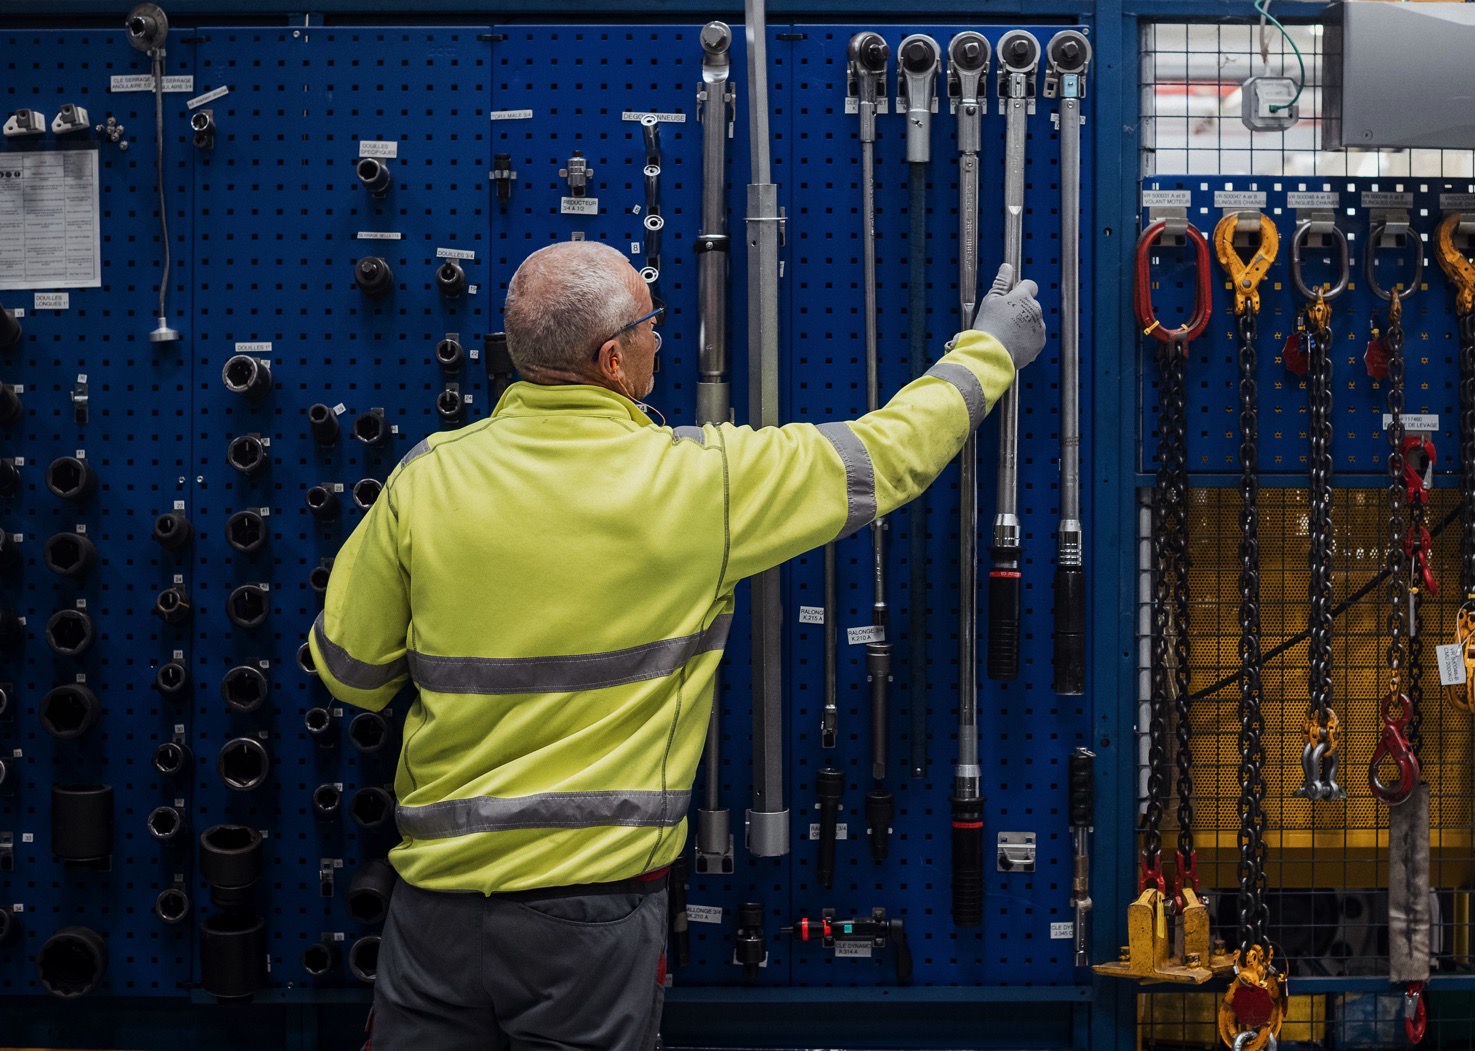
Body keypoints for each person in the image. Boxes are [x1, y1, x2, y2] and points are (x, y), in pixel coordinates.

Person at [308, 241, 1046, 1049]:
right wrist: (992, 348)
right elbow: (889, 454)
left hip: (433, 915)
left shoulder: (425, 477)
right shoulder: (700, 482)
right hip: (587, 925)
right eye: (651, 322)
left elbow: (349, 674)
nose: (663, 335)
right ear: (614, 359)